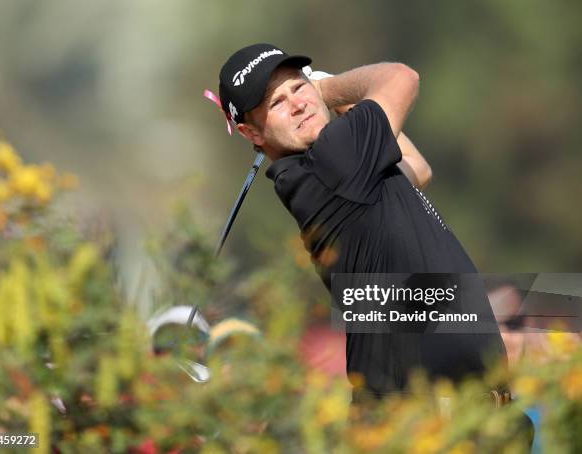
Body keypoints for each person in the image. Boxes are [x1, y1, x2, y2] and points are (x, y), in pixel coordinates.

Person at [214, 43, 509, 406]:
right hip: (417, 420)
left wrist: (334, 104)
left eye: (297, 87)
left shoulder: (337, 171)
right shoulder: (333, 160)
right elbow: (402, 78)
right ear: (252, 133)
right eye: (276, 103)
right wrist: (326, 89)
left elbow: (417, 169)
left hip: (446, 415)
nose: (297, 104)